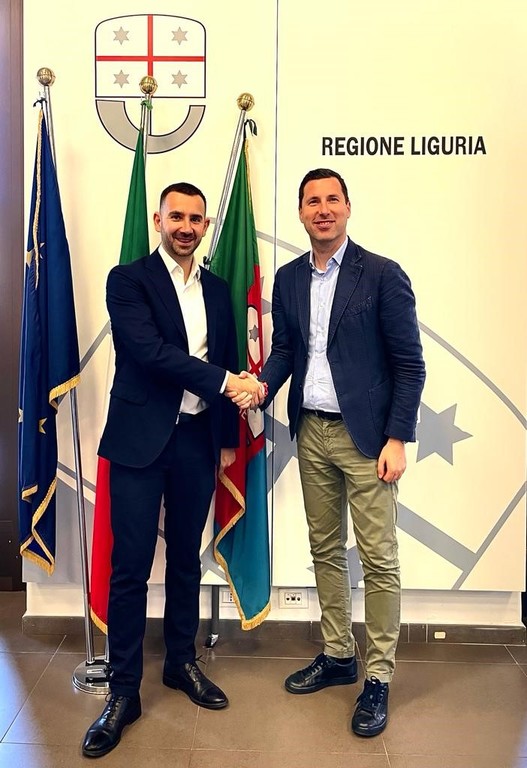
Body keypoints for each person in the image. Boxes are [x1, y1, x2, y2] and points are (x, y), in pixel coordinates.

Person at [82, 182, 263, 758]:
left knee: (186, 558)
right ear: (159, 220)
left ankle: (180, 662)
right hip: (139, 441)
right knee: (130, 568)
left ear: (206, 226)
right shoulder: (128, 280)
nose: (186, 227)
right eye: (176, 216)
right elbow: (148, 352)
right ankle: (123, 692)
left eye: (195, 219)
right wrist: (226, 382)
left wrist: (228, 439)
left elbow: (227, 356)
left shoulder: (218, 288)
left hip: (196, 442)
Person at [259, 168, 425, 737]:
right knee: (325, 549)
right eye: (313, 201)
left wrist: (397, 437)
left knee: (378, 559)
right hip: (311, 433)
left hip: (369, 440)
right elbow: (286, 351)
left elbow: (410, 365)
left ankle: (377, 677)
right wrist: (261, 387)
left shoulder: (381, 274)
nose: (323, 209)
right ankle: (338, 655)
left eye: (332, 199)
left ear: (348, 208)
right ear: (301, 213)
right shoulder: (288, 279)